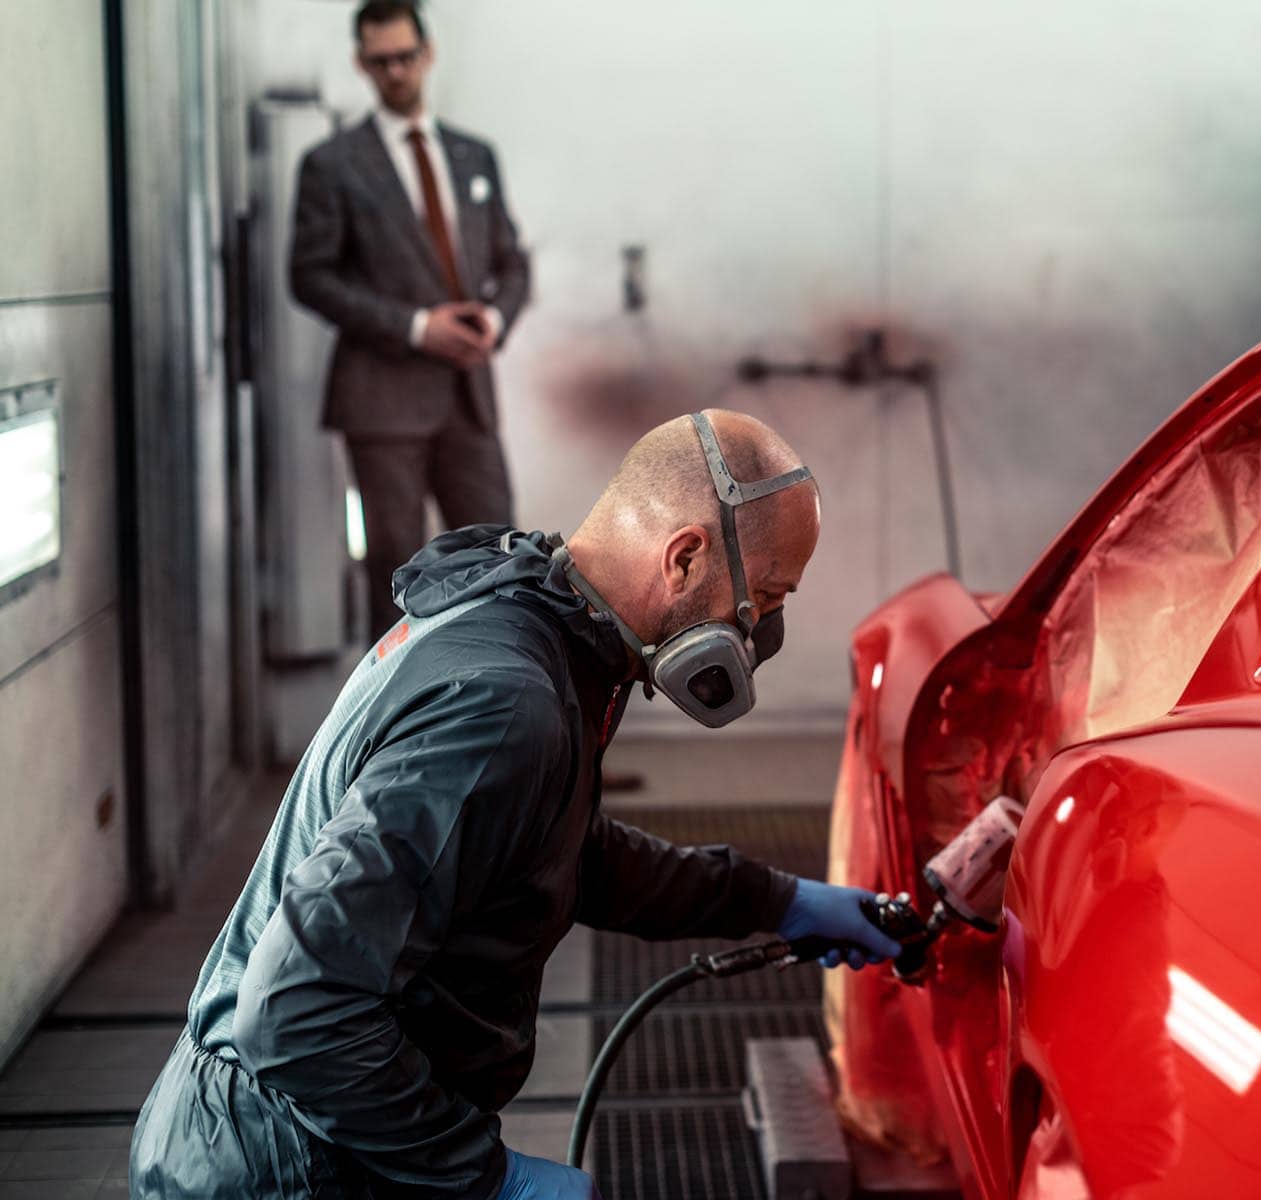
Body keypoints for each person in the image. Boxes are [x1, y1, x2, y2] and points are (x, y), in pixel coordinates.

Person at [128, 410, 901, 1199]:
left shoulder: (536, 617)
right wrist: (490, 1180)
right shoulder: (503, 705)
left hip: (321, 1129)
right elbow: (297, 1007)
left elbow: (557, 851)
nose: (761, 633)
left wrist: (778, 900)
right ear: (684, 557)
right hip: (284, 1160)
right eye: (764, 596)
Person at [292, 0, 531, 637]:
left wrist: (493, 321)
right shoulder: (332, 165)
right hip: (383, 402)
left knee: (503, 561)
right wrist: (417, 327)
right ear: (360, 64)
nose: (395, 72)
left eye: (404, 57)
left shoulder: (474, 156)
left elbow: (513, 263)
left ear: (428, 53)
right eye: (380, 62)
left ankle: (500, 689)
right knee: (397, 577)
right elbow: (309, 276)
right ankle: (398, 701)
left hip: (469, 396)